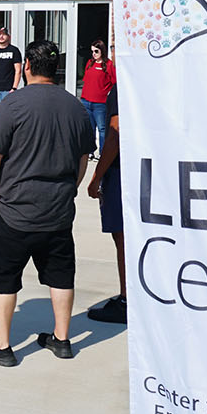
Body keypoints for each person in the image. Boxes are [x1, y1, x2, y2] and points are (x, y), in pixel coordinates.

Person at [0, 40, 95, 367]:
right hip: (59, 212)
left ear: (26, 68)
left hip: (14, 211)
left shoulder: (14, 104)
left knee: (3, 276)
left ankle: (1, 346)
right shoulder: (76, 106)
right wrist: (70, 188)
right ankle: (62, 340)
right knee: (61, 275)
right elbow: (83, 157)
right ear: (56, 70)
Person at [86, 85, 126, 323]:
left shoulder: (123, 88)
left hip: (123, 171)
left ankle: (126, 299)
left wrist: (96, 177)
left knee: (122, 236)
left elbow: (115, 133)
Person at [80, 39, 116, 157]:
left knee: (102, 128)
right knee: (89, 128)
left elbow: (114, 81)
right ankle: (89, 152)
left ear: (102, 51)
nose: (94, 54)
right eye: (92, 51)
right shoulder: (90, 63)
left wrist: (107, 93)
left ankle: (102, 152)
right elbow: (86, 79)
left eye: (96, 51)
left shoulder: (108, 65)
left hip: (100, 103)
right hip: (86, 100)